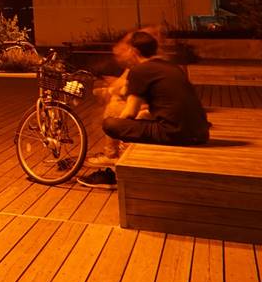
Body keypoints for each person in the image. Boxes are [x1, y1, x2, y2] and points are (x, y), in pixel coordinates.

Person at [79, 28, 210, 188]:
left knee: (111, 124)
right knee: (140, 118)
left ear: (134, 51)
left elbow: (129, 113)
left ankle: (119, 171)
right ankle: (121, 161)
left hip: (176, 133)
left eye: (127, 49)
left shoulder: (140, 70)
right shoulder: (171, 67)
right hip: (200, 131)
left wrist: (120, 128)